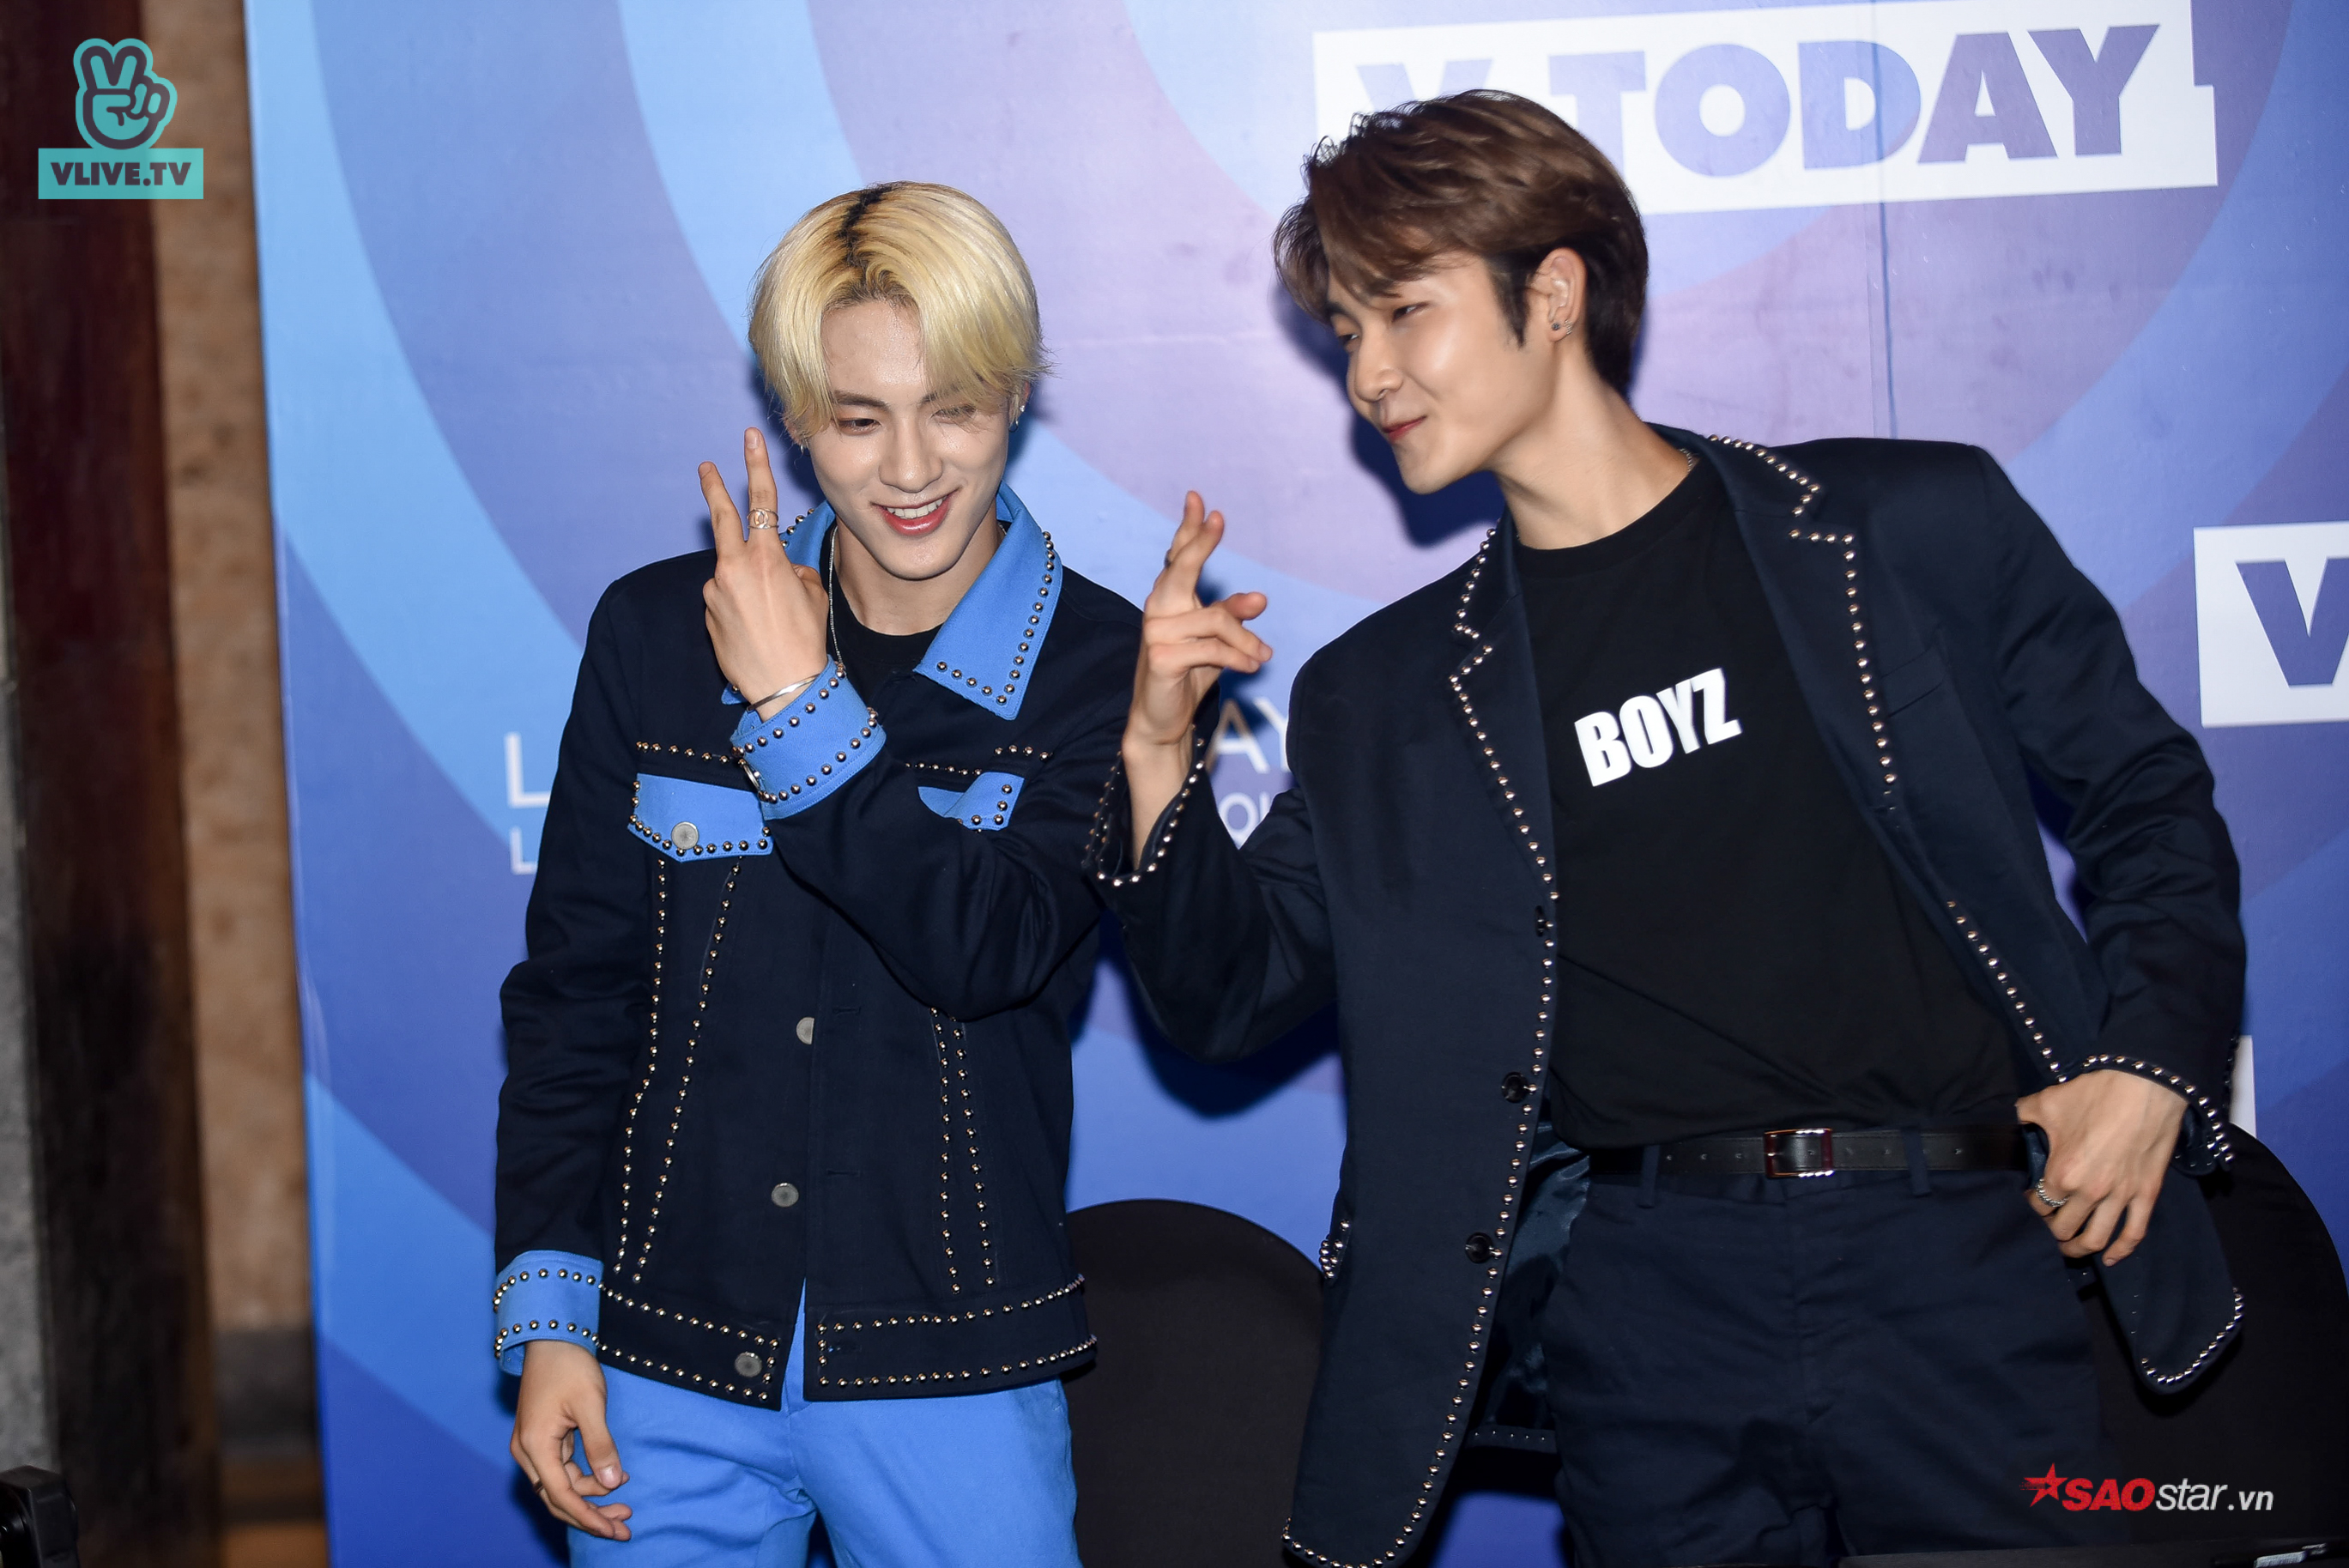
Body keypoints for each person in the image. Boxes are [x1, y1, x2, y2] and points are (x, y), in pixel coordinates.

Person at [1090, 91, 2244, 1568]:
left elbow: (2145, 793)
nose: (1367, 374)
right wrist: (1155, 751)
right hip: (1645, 1304)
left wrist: (2147, 1065)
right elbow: (1226, 994)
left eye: (1405, 311)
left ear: (1552, 292)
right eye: (1345, 331)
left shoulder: (1904, 529)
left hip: (1954, 1256)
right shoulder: (1389, 696)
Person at [493, 181, 1137, 1566]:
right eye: (858, 419)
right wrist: (552, 1321)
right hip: (660, 1354)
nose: (910, 468)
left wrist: (797, 711)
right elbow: (577, 999)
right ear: (794, 417)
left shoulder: (1102, 667)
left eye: (953, 408)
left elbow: (984, 952)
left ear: (1016, 396)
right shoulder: (654, 635)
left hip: (950, 1357)